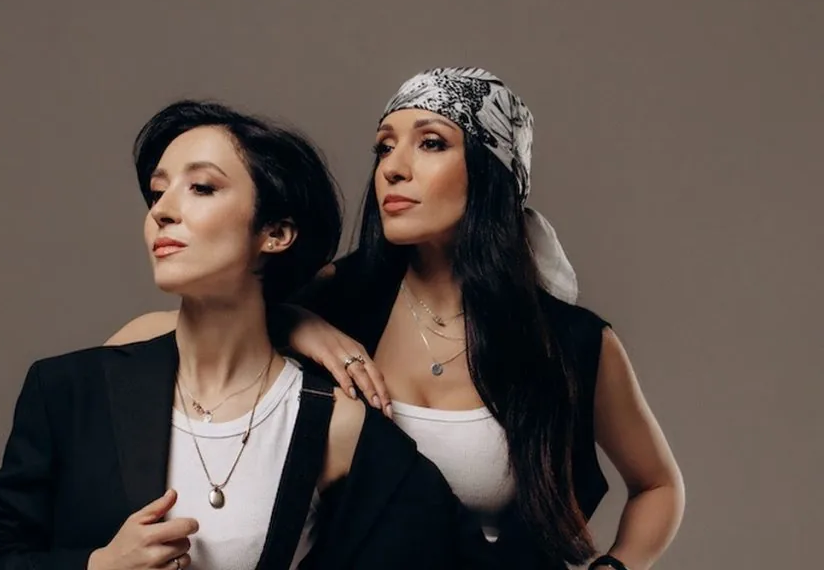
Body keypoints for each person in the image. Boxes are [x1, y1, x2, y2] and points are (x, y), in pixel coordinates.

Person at [106, 69, 686, 570]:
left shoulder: (570, 342)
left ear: (492, 171)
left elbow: (658, 486)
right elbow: (162, 339)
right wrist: (297, 322)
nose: (393, 169)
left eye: (431, 143)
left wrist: (615, 567)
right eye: (384, 147)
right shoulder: (336, 299)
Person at [0, 99, 500, 570]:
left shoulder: (335, 423)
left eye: (202, 187)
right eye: (157, 192)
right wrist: (97, 566)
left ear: (276, 232)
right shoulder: (70, 391)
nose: (163, 212)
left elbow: (465, 556)